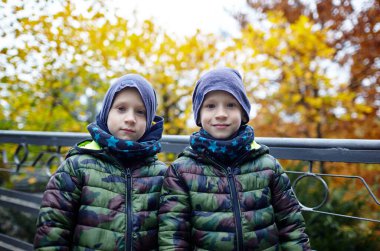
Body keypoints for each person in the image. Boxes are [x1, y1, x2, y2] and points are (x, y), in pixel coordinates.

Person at [158, 68, 311, 250]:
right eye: (210, 106)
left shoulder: (268, 166)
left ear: (243, 113)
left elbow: (291, 227)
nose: (221, 113)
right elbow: (173, 237)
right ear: (199, 115)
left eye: (230, 105)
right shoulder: (181, 171)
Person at [34, 74, 167, 250]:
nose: (130, 118)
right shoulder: (77, 166)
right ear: (106, 113)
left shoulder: (161, 174)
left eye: (140, 112)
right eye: (121, 108)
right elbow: (52, 232)